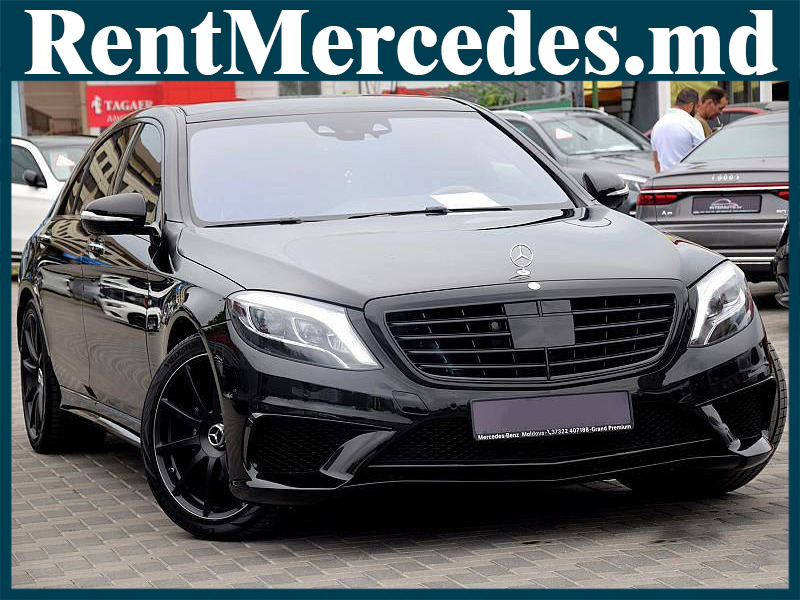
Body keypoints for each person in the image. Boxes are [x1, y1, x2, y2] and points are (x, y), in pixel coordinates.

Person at [650, 88, 705, 173]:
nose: (698, 111)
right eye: (697, 107)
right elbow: (702, 155)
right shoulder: (693, 123)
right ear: (691, 105)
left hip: (664, 178)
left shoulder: (658, 125)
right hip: (686, 177)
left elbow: (656, 162)